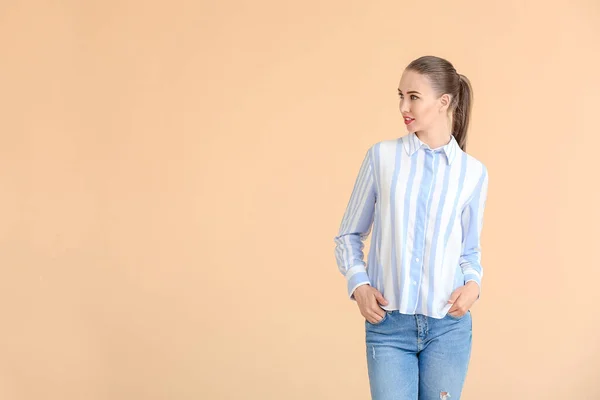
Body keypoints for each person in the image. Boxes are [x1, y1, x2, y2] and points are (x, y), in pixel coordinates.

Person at [333, 55, 489, 400]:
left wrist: (474, 284)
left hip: (448, 328)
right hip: (389, 327)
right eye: (400, 95)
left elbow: (469, 251)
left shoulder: (473, 173)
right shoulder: (382, 158)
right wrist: (359, 285)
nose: (404, 106)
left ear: (443, 101)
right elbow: (348, 235)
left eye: (413, 97)